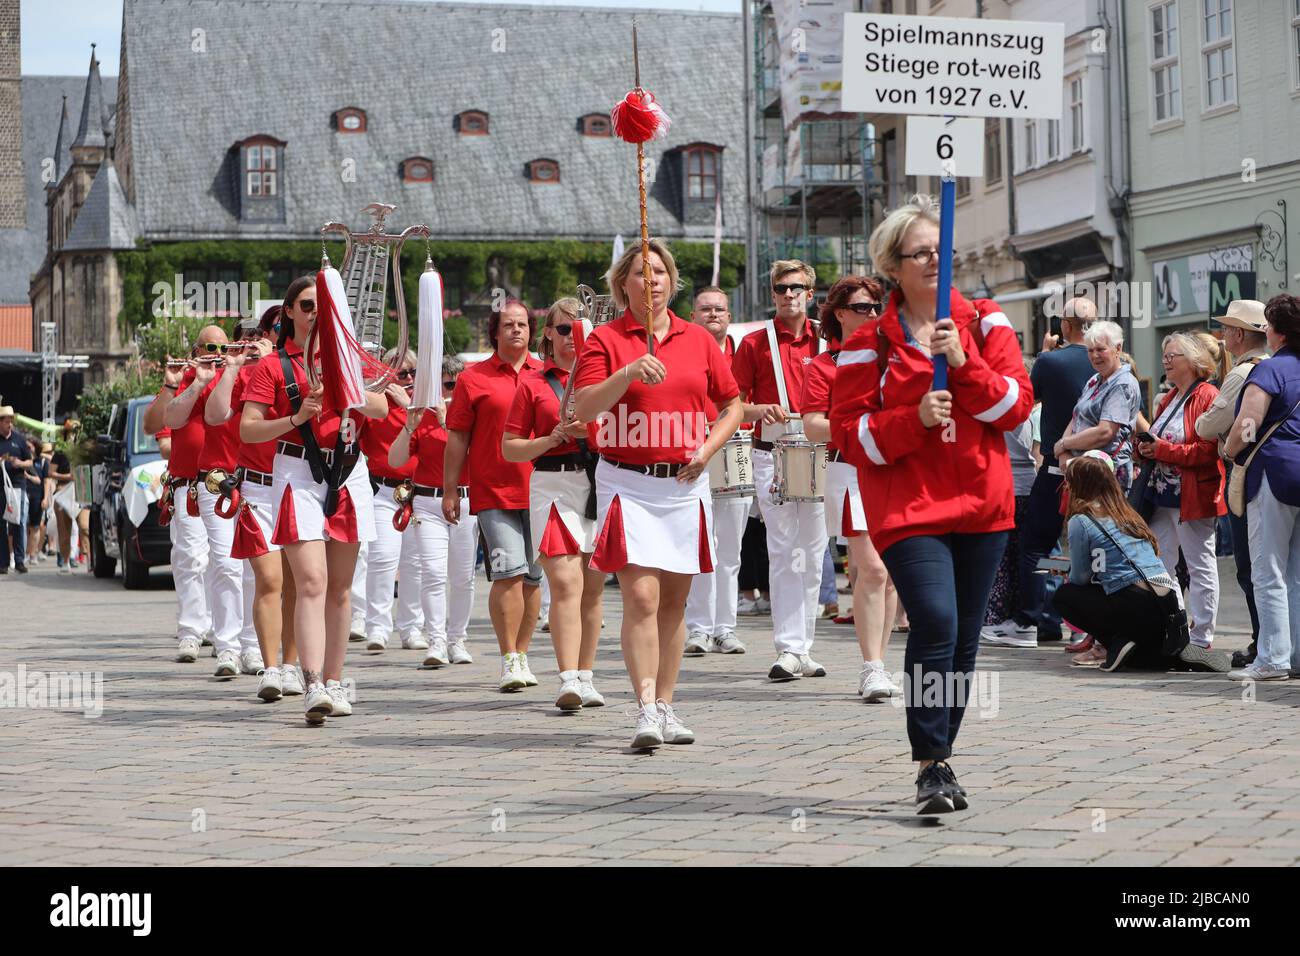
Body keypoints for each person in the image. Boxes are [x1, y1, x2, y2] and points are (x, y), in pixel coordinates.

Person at [830, 194, 1033, 813]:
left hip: (981, 503)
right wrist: (913, 419)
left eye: (941, 251)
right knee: (937, 622)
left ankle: (942, 755)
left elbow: (1014, 409)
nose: (934, 261)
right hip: (907, 508)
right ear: (894, 264)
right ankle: (929, 761)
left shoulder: (987, 323)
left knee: (965, 640)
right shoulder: (869, 343)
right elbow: (849, 435)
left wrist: (964, 366)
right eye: (921, 252)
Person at [573, 237, 742, 749]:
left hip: (684, 483)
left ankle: (667, 704)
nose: (654, 281)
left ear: (673, 281)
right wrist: (627, 373)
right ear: (623, 284)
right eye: (642, 273)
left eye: (662, 272)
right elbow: (584, 409)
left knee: (675, 601)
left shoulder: (699, 339)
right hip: (627, 478)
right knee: (640, 597)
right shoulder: (605, 339)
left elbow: (733, 404)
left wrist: (708, 450)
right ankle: (644, 707)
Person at [241, 275, 388, 725]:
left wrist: (351, 391)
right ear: (288, 311)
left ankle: (336, 679)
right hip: (297, 468)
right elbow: (248, 429)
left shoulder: (346, 356)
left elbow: (382, 409)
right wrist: (295, 416)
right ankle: (312, 683)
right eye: (306, 305)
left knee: (341, 589)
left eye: (321, 305)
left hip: (347, 467)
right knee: (310, 580)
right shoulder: (274, 367)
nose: (314, 313)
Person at [503, 298, 607, 710]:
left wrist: (592, 432)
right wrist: (551, 438)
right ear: (548, 332)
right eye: (563, 330)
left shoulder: (605, 379)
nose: (571, 339)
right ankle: (568, 679)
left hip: (598, 481)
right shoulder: (533, 382)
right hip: (552, 482)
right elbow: (510, 448)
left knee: (593, 588)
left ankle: (586, 675)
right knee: (566, 583)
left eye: (578, 330)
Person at [801, 274, 901, 700]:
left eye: (877, 307)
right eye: (864, 307)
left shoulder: (892, 358)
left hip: (892, 469)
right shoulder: (825, 365)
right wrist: (865, 429)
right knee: (872, 569)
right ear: (839, 312)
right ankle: (871, 665)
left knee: (891, 573)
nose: (873, 315)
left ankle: (879, 662)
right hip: (849, 470)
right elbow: (811, 427)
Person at [733, 259, 829, 682]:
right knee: (784, 549)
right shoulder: (754, 343)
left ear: (811, 292)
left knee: (814, 551)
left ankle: (803, 646)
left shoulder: (828, 342)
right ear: (772, 293)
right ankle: (789, 647)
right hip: (771, 451)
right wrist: (758, 409)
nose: (789, 294)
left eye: (797, 287)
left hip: (820, 451)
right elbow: (731, 405)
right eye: (781, 288)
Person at [443, 299, 543, 691]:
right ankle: (508, 658)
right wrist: (451, 489)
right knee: (509, 574)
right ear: (495, 332)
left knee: (534, 579)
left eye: (523, 324)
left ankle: (523, 653)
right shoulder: (473, 378)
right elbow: (457, 438)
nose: (517, 330)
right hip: (494, 491)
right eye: (509, 325)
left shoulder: (546, 374)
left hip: (542, 490)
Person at [205, 305, 302, 701]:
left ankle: (293, 665)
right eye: (273, 327)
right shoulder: (250, 370)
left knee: (297, 583)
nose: (278, 333)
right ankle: (271, 667)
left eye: (284, 327)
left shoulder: (306, 366)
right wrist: (234, 368)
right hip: (258, 488)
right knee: (269, 579)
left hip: (299, 485)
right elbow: (215, 415)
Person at [165, 323, 264, 679]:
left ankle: (253, 646)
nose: (223, 355)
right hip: (216, 481)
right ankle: (227, 647)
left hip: (260, 481)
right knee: (223, 563)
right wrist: (208, 377)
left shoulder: (271, 372)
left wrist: (265, 364)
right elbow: (193, 416)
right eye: (214, 348)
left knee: (257, 569)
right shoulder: (208, 376)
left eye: (231, 348)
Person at [1135, 332, 1226, 668]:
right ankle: (1176, 626)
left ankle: (1202, 636)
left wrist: (1163, 449)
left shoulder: (1207, 395)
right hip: (1161, 494)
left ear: (1193, 360)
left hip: (1192, 493)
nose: (1166, 360)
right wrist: (1144, 447)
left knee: (1200, 564)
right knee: (1161, 563)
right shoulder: (1169, 397)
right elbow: (1158, 439)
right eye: (1165, 354)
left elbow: (1208, 451)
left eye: (1173, 354)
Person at [1012, 297, 1097, 644]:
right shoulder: (1107, 362)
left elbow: (1026, 402)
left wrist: (1047, 354)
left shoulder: (1049, 361)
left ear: (1064, 325)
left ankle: (1034, 620)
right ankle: (1082, 626)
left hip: (1055, 465)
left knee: (1037, 544)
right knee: (1088, 544)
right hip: (1097, 466)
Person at [1224, 294, 1300, 682]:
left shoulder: (1270, 370)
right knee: (1297, 571)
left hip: (1274, 472)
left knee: (1268, 569)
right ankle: (1296, 654)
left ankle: (1272, 658)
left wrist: (1231, 448)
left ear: (1278, 332)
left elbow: (1247, 422)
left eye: (1268, 326)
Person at [1049, 455, 1184, 672]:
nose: (1066, 485)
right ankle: (1133, 647)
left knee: (1065, 596)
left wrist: (1068, 570)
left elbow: (1080, 579)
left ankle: (1114, 642)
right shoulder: (1127, 513)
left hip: (1136, 601)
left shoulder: (1081, 520)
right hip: (1166, 602)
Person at [1195, 299, 1270, 666]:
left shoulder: (1241, 374)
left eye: (1227, 329)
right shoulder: (1276, 366)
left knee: (1250, 565)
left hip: (1246, 472)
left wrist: (1214, 432)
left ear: (1239, 334)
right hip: (1276, 475)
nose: (1223, 336)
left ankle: (1264, 643)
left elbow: (1207, 425)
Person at [390, 356, 477, 668]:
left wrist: (446, 421)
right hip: (428, 500)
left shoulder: (470, 414)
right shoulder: (423, 414)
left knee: (463, 577)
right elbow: (396, 459)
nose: (445, 392)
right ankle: (437, 640)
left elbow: (473, 454)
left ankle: (458, 639)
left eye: (451, 385)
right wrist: (409, 424)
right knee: (433, 572)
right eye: (439, 386)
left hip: (466, 501)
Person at [683, 286, 749, 656]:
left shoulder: (743, 352)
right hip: (692, 451)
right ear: (693, 316)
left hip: (733, 449)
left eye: (719, 309)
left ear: (729, 316)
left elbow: (742, 404)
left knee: (730, 547)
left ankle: (725, 627)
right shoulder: (683, 349)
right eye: (705, 309)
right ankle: (698, 627)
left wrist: (755, 410)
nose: (713, 314)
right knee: (697, 545)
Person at [143, 337, 215, 656]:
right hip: (189, 485)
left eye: (221, 349)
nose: (216, 355)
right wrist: (172, 387)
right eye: (209, 348)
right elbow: (153, 427)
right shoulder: (182, 381)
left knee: (225, 562)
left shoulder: (237, 378)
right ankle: (191, 629)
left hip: (228, 485)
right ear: (196, 351)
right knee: (191, 559)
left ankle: (222, 629)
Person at [359, 348, 424, 653]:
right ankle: (377, 625)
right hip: (383, 490)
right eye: (401, 373)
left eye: (412, 373)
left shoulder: (424, 405)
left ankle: (412, 627)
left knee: (415, 562)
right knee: (383, 557)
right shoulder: (377, 405)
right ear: (387, 376)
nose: (408, 378)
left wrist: (411, 406)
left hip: (420, 491)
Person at [0, 406, 32, 573]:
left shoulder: (19, 440)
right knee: (1, 525)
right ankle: (3, 563)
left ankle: (19, 560)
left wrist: (20, 464)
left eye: (11, 421)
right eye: (6, 421)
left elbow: (30, 462)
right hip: (0, 488)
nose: (9, 424)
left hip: (18, 486)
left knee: (19, 523)